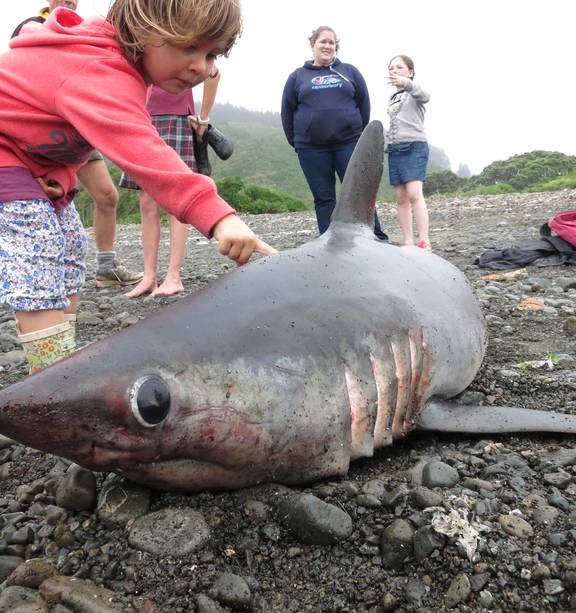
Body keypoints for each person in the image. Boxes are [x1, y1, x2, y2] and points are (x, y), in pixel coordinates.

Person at [0, 0, 275, 373]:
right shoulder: (98, 67)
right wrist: (218, 217)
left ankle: (56, 364)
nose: (201, 66)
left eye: (212, 54)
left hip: (26, 162)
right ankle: (51, 382)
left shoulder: (128, 72)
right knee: (38, 242)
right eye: (189, 46)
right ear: (144, 28)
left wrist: (56, 176)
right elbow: (143, 153)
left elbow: (62, 133)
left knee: (70, 244)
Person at [11, 0, 144, 288]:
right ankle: (38, 272)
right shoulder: (31, 26)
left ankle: (106, 267)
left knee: (108, 196)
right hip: (42, 135)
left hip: (80, 128)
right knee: (40, 206)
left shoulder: (83, 28)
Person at [120, 73, 221, 298]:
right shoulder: (141, 40)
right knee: (147, 200)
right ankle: (149, 276)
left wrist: (203, 118)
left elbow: (213, 72)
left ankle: (173, 276)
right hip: (141, 116)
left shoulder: (184, 40)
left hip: (176, 116)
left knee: (177, 197)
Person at [281, 26, 387, 240]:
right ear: (312, 45)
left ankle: (376, 238)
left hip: (348, 143)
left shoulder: (349, 72)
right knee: (323, 198)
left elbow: (363, 105)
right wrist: (300, 142)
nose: (327, 46)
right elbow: (287, 111)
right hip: (311, 149)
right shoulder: (297, 77)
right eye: (323, 42)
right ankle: (329, 243)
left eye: (331, 42)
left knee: (360, 194)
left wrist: (354, 132)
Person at [386, 55, 432, 251]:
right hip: (395, 148)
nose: (394, 70)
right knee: (401, 197)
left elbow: (425, 95)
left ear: (410, 72)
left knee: (414, 193)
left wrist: (406, 82)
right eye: (391, 68)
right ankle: (408, 241)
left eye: (400, 67)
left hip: (414, 145)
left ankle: (424, 241)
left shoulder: (414, 92)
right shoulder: (393, 97)